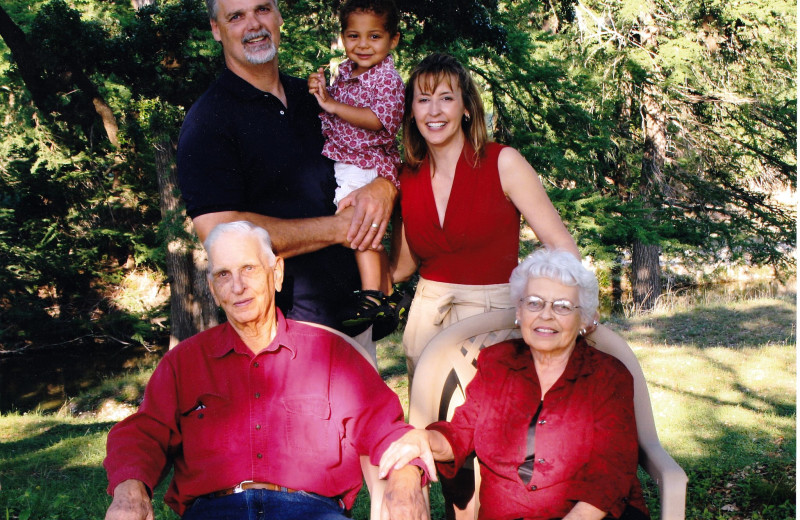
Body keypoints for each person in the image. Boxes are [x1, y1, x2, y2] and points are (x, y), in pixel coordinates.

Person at [103, 221, 428, 520]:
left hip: (311, 511)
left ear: (276, 273)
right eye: (224, 275)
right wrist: (129, 490)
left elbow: (387, 429)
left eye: (249, 269)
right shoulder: (184, 362)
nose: (238, 286)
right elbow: (141, 435)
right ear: (213, 289)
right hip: (214, 512)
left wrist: (405, 480)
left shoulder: (332, 354)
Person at [389, 52, 582, 519]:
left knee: (498, 445)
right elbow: (403, 266)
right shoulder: (406, 175)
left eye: (445, 98)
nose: (434, 111)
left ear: (466, 107)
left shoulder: (503, 162)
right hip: (428, 321)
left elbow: (561, 246)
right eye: (423, 100)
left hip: (495, 320)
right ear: (411, 112)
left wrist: (568, 308)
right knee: (447, 453)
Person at [177, 0, 398, 352]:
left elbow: (375, 147)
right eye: (236, 16)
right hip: (282, 342)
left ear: (279, 17)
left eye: (262, 9)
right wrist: (341, 229)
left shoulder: (315, 99)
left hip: (355, 324)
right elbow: (219, 232)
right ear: (217, 29)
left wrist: (384, 186)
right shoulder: (208, 122)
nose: (253, 25)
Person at [379, 248, 650, 520]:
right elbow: (461, 432)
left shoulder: (608, 376)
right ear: (519, 310)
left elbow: (611, 472)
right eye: (534, 302)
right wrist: (423, 439)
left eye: (563, 306)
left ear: (585, 318)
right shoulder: (497, 363)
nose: (546, 315)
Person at [307, 0, 404, 327]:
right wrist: (321, 92)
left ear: (393, 40)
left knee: (357, 226)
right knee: (366, 230)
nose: (363, 45)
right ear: (343, 38)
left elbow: (379, 120)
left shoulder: (386, 77)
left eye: (374, 36)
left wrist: (332, 105)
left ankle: (370, 297)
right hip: (346, 161)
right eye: (354, 36)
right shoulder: (345, 72)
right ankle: (389, 294)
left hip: (366, 162)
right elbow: (328, 110)